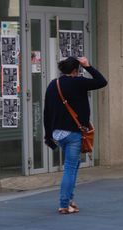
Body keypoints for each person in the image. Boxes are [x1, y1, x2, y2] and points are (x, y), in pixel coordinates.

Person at [43, 57, 108, 214]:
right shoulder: (79, 82)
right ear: (75, 70)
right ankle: (64, 204)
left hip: (58, 133)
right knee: (70, 168)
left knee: (74, 165)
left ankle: (70, 200)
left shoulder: (53, 84)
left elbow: (47, 111)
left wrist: (48, 135)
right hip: (73, 133)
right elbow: (102, 81)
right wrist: (88, 66)